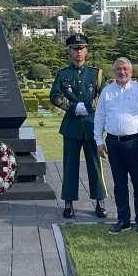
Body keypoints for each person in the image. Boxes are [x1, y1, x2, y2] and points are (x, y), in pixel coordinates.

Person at [50, 34, 108, 218]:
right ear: (69, 51)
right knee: (70, 166)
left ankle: (100, 201)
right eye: (75, 48)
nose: (78, 52)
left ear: (87, 50)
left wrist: (89, 106)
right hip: (72, 125)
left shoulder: (96, 73)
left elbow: (104, 95)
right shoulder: (62, 74)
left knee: (95, 165)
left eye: (81, 48)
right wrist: (74, 107)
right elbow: (55, 96)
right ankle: (68, 202)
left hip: (92, 125)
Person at [94, 57, 138, 234]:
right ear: (114, 71)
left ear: (131, 71)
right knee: (119, 185)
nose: (122, 72)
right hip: (113, 143)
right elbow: (100, 117)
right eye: (119, 69)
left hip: (135, 143)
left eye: (125, 69)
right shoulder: (107, 92)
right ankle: (123, 220)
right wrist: (99, 141)